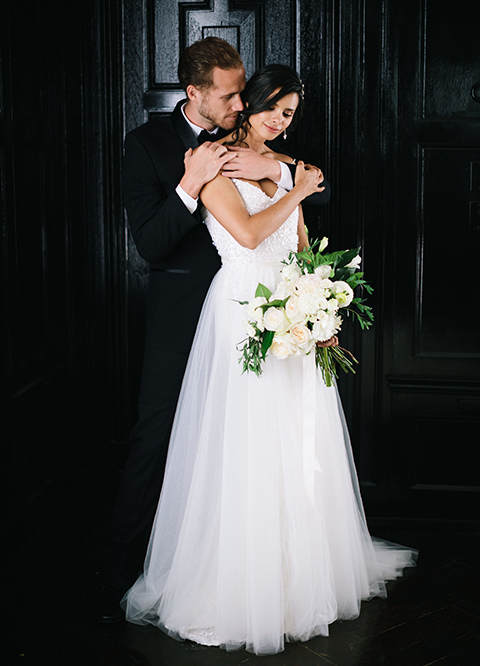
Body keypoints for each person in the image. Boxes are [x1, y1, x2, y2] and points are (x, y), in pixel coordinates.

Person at [122, 64, 417, 655]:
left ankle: (296, 571)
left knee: (293, 440)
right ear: (245, 104)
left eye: (289, 114)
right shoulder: (213, 163)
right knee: (243, 443)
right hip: (240, 313)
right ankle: (238, 583)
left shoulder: (286, 165)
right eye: (270, 109)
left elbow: (301, 240)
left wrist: (321, 304)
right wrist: (299, 186)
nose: (279, 121)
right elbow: (252, 236)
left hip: (290, 314)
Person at [101, 38, 331, 622]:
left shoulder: (256, 147)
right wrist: (189, 183)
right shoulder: (147, 145)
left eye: (242, 91)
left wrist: (276, 166)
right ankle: (124, 579)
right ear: (194, 93)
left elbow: (298, 185)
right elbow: (150, 245)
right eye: (229, 95)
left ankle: (248, 569)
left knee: (245, 445)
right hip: (184, 317)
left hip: (255, 312)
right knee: (156, 438)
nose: (239, 102)